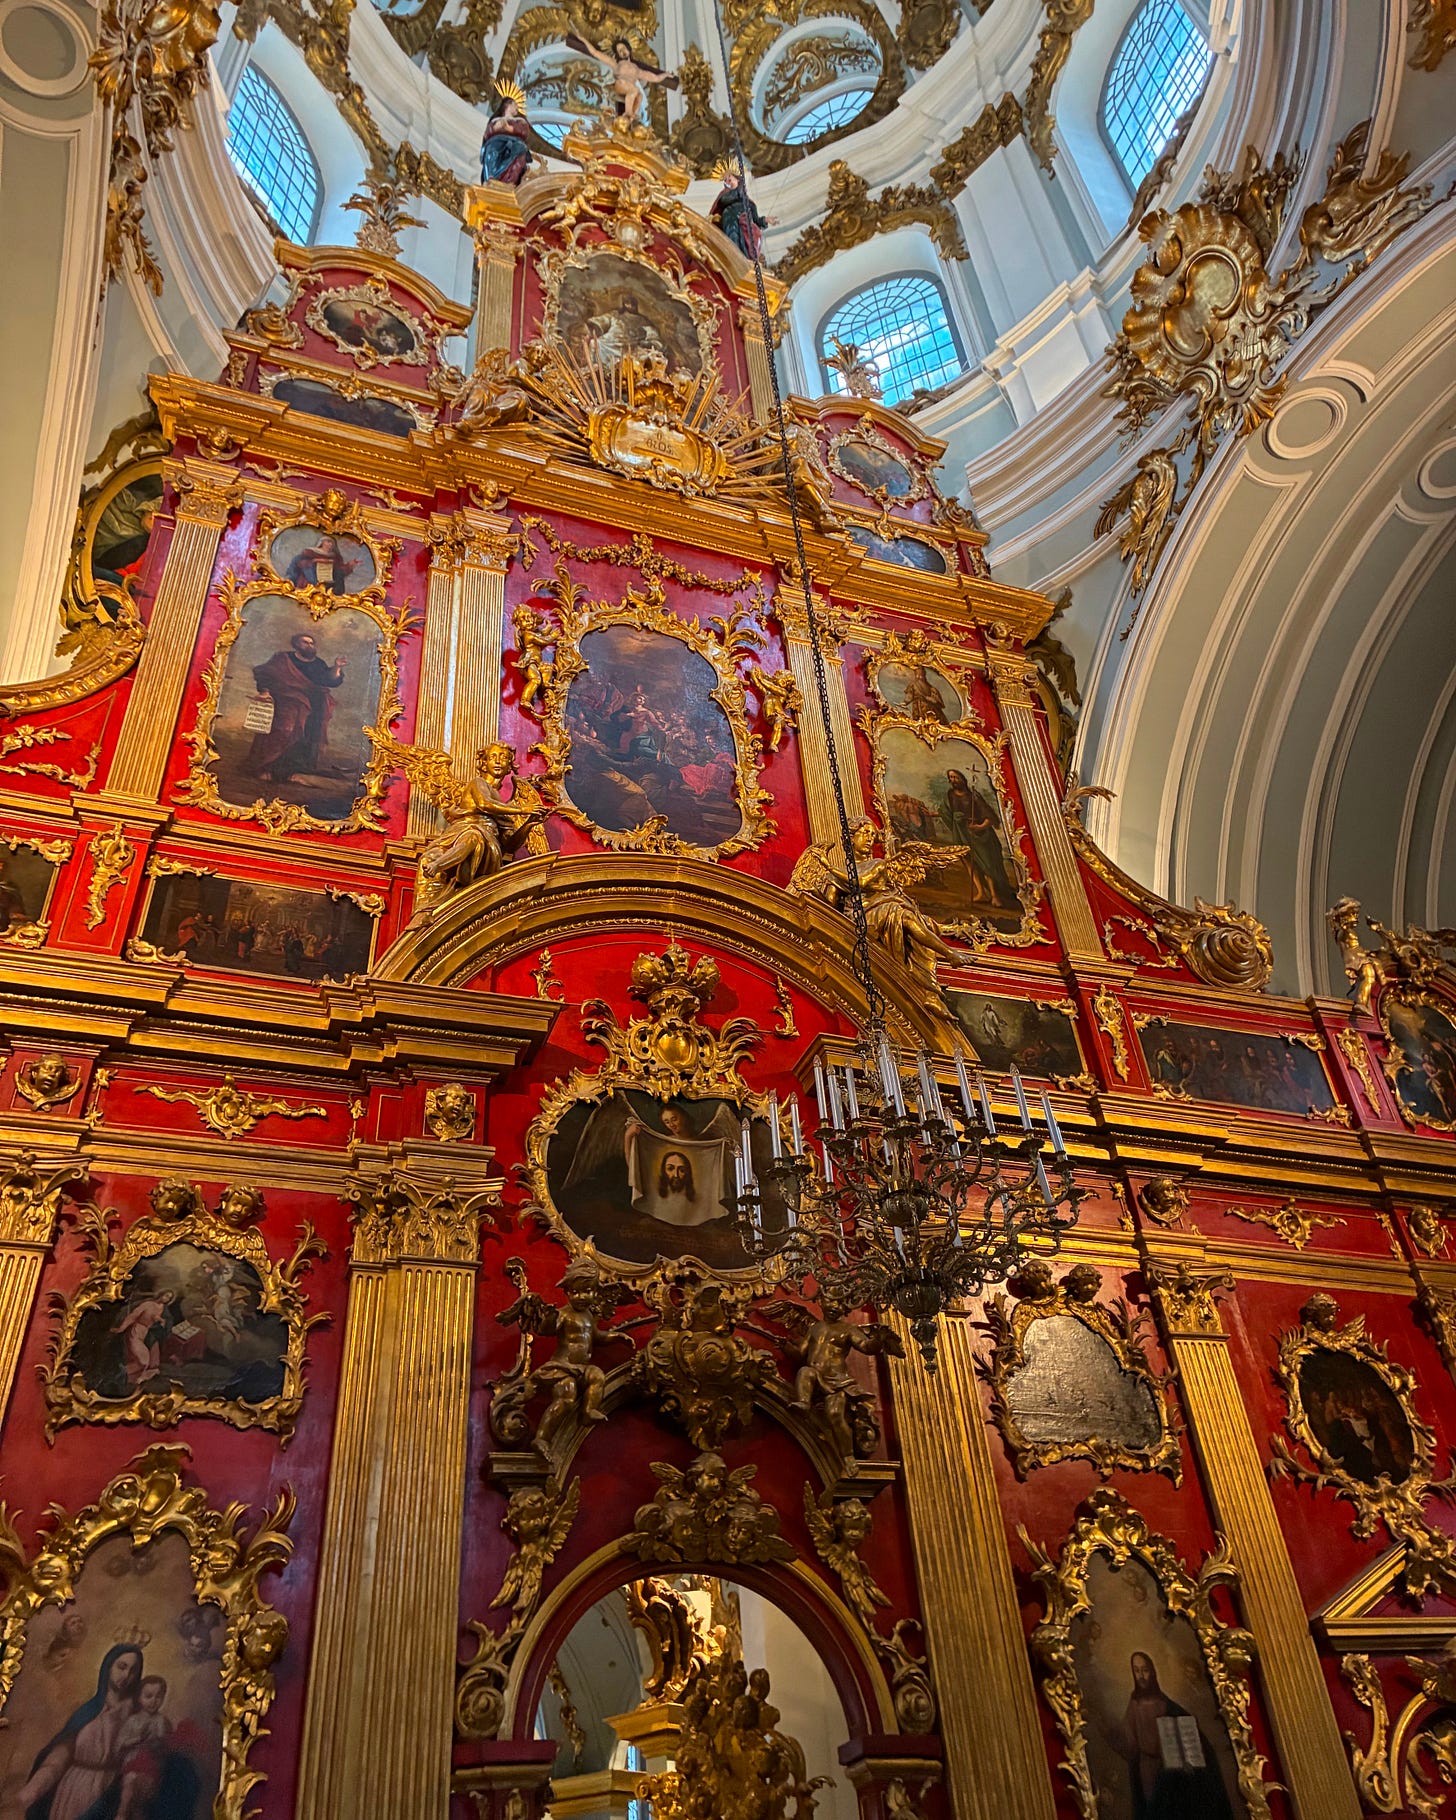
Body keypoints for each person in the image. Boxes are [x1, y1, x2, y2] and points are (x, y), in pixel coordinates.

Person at [17, 1643, 144, 1820]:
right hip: (75, 1790)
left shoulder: (137, 1717)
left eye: (133, 1671)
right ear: (108, 1667)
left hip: (111, 1793)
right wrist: (30, 1792)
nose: (126, 1675)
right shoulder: (88, 1712)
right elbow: (59, 1758)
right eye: (121, 1667)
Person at [1109, 1652, 1232, 1819]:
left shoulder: (1167, 1705)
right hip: (1147, 1770)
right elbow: (1129, 1742)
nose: (1141, 1676)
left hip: (1171, 1772)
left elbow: (1189, 1737)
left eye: (1145, 1670)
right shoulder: (1134, 1704)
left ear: (1152, 1671)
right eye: (1136, 1671)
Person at [245, 631, 347, 786]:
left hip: (314, 705)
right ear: (296, 644)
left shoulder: (318, 663)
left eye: (311, 643)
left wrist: (337, 667)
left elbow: (329, 680)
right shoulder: (283, 659)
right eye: (305, 642)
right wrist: (265, 691)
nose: (309, 645)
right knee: (285, 732)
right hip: (287, 701)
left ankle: (293, 772)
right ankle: (267, 768)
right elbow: (265, 674)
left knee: (307, 736)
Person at [565, 34, 678, 125]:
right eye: (619, 51)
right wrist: (583, 39)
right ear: (617, 54)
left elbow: (654, 77)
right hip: (620, 84)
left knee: (639, 96)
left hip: (630, 89)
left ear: (629, 49)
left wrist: (666, 75)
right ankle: (628, 113)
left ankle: (632, 117)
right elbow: (595, 52)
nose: (622, 51)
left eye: (624, 48)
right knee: (634, 90)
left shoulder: (637, 69)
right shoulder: (616, 64)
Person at [710, 167, 769, 260]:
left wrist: (765, 220)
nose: (727, 182)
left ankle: (746, 258)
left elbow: (756, 220)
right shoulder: (726, 195)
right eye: (725, 180)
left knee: (753, 236)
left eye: (730, 179)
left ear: (737, 179)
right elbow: (722, 201)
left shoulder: (749, 203)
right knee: (733, 240)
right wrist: (737, 191)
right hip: (730, 219)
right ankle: (735, 256)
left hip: (745, 224)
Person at [481, 85, 533, 185]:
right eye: (515, 105)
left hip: (515, 143)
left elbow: (524, 131)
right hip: (496, 142)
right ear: (508, 104)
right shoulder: (496, 120)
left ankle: (509, 181)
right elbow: (487, 133)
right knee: (492, 150)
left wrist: (510, 128)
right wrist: (496, 128)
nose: (517, 108)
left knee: (520, 149)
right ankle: (492, 178)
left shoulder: (519, 120)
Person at [284, 533, 357, 595]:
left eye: (332, 543)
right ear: (322, 542)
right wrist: (315, 561)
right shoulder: (310, 552)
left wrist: (349, 565)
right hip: (310, 582)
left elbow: (340, 571)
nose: (331, 544)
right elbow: (300, 563)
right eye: (328, 542)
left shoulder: (335, 557)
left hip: (328, 582)